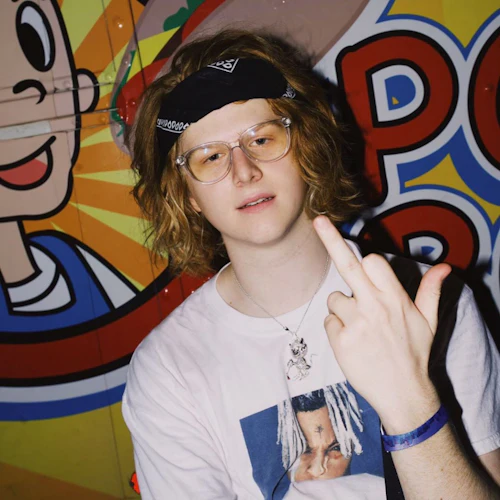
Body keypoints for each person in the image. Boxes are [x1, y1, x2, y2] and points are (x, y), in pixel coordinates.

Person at [122, 29, 500, 499]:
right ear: (188, 196)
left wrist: (412, 403)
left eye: (262, 138)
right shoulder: (167, 370)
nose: (244, 171)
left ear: (305, 144)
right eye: (210, 157)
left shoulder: (430, 304)